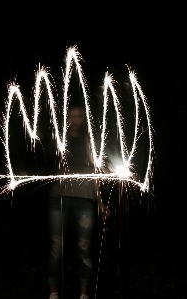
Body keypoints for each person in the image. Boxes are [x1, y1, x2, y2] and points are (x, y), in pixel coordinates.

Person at [47, 106, 111, 299]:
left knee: (84, 247)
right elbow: (50, 162)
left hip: (85, 201)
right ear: (66, 119)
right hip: (59, 198)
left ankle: (84, 295)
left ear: (84, 119)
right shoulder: (59, 141)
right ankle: (53, 294)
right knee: (56, 247)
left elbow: (95, 174)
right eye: (71, 116)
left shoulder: (89, 143)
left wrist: (100, 202)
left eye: (78, 116)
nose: (75, 119)